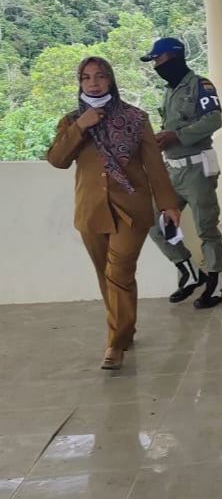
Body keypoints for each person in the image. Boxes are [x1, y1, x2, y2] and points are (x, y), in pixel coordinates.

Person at [47, 56, 181, 370]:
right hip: (91, 210)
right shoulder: (71, 121)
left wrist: (168, 205)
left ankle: (115, 343)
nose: (93, 83)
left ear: (110, 80)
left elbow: (154, 165)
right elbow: (57, 160)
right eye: (86, 77)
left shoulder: (136, 118)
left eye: (100, 76)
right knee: (104, 275)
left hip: (131, 209)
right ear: (80, 83)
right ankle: (125, 329)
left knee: (119, 273)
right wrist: (81, 126)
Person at [141, 37, 222, 309]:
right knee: (154, 222)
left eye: (158, 59)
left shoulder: (201, 85)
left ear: (174, 56)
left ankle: (215, 286)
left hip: (197, 169)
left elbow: (214, 119)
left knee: (206, 228)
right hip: (172, 171)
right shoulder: (170, 91)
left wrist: (176, 135)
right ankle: (189, 271)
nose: (156, 65)